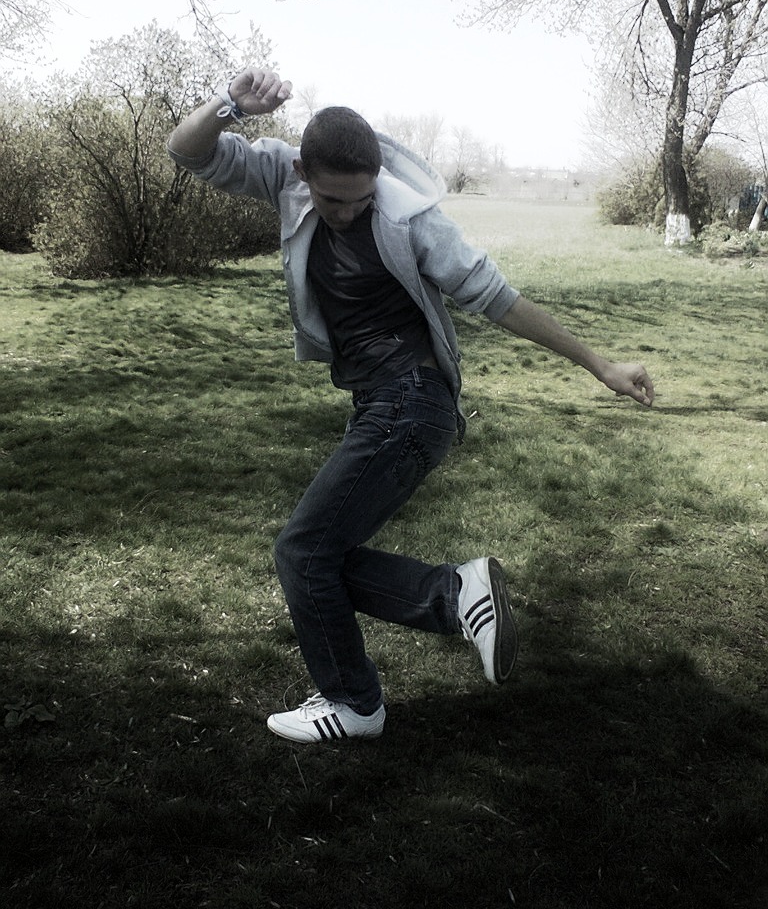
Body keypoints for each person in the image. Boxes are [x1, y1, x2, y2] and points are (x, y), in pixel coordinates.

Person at [168, 68, 654, 745]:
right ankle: (456, 599)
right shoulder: (283, 174)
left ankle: (354, 701)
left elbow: (498, 298)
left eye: (359, 199)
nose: (346, 213)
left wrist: (600, 365)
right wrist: (229, 105)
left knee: (302, 551)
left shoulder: (407, 217)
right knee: (319, 558)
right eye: (333, 200)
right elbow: (188, 152)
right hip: (380, 402)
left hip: (412, 402)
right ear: (305, 173)